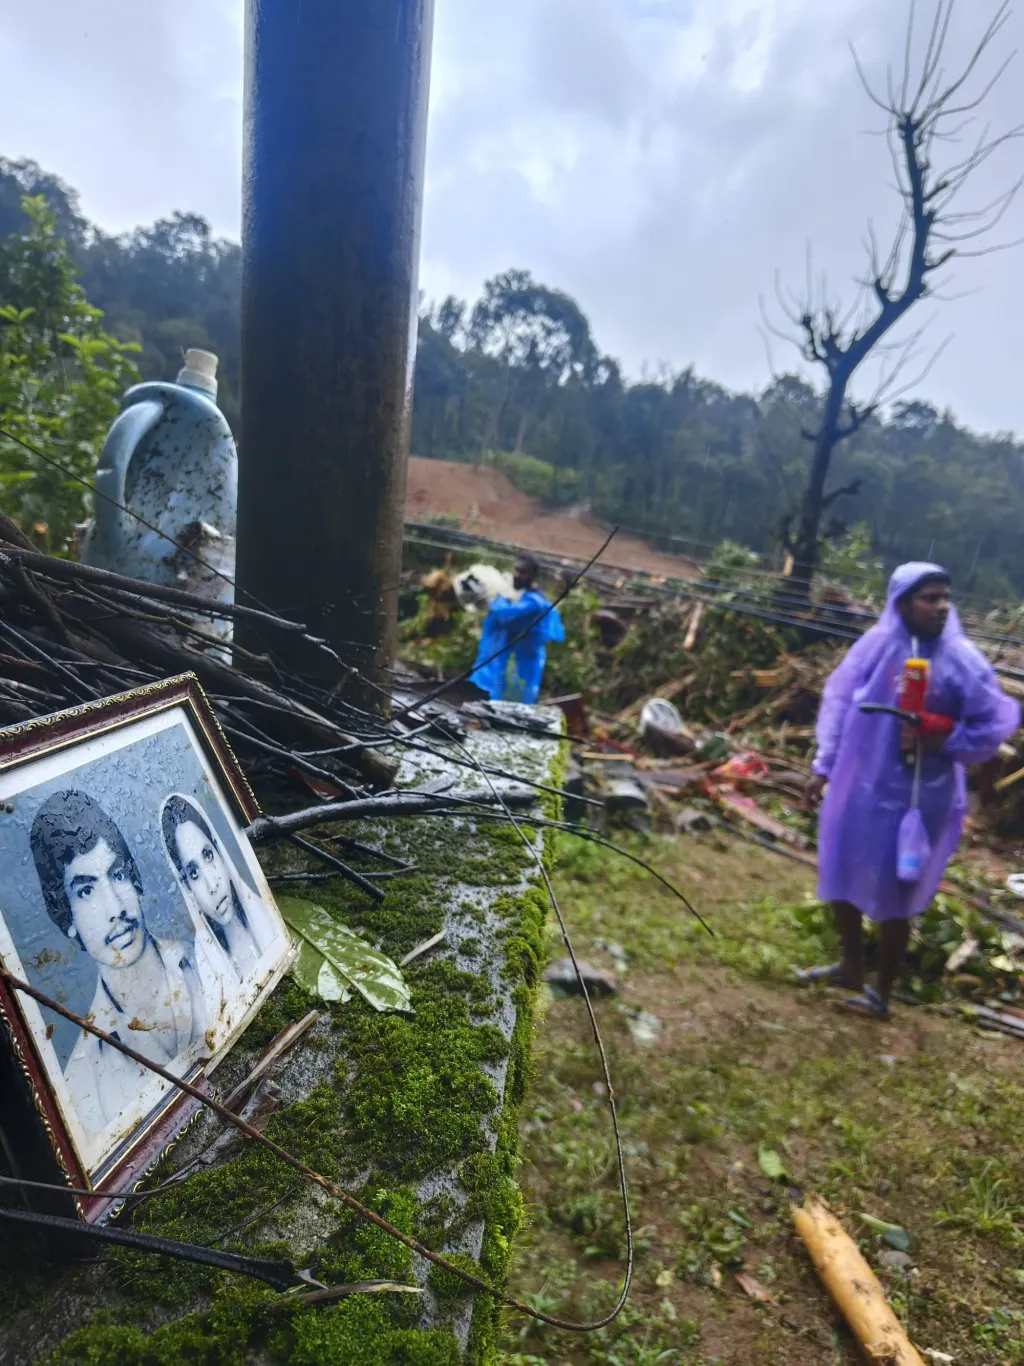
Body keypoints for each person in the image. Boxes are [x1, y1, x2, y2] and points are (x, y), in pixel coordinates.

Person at [801, 562, 1019, 1017]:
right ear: (902, 603)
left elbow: (992, 723)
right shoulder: (877, 647)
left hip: (921, 796)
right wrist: (823, 765)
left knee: (898, 887)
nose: (941, 607)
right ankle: (851, 965)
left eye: (945, 597)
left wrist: (941, 733)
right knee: (842, 867)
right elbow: (841, 700)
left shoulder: (962, 660)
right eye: (930, 598)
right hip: (862, 783)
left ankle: (882, 990)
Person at [29, 790, 225, 1132]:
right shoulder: (82, 1081)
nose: (116, 908)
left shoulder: (207, 957)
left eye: (117, 874)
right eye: (86, 891)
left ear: (134, 878)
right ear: (66, 917)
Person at [161, 793, 276, 981]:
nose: (212, 884)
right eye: (194, 873)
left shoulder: (268, 921)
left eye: (208, 855)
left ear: (220, 852)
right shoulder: (208, 977)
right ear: (186, 887)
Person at [468, 551, 565, 703]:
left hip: (516, 668)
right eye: (516, 570)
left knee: (507, 704)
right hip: (496, 664)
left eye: (523, 572)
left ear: (533, 575)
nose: (516, 575)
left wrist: (494, 594)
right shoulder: (520, 597)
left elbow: (503, 614)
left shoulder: (534, 603)